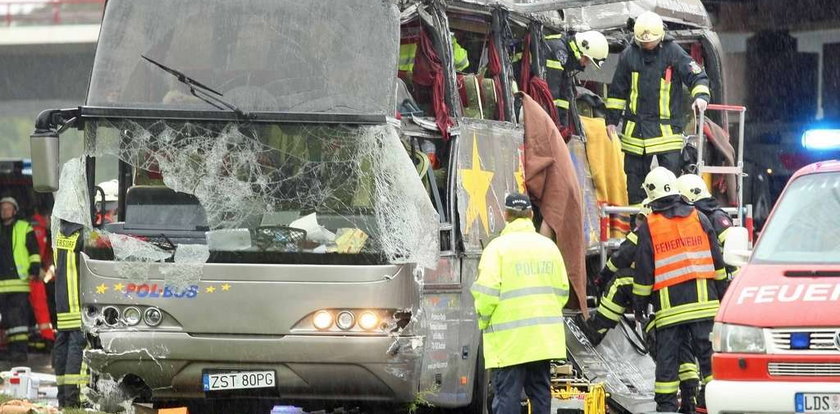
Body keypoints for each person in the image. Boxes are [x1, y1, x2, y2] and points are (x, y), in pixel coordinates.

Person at [581, 201, 701, 414]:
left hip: (658, 297)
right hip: (685, 297)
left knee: (620, 282)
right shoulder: (685, 226)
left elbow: (621, 256)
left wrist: (602, 279)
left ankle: (595, 330)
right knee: (683, 346)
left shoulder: (649, 229)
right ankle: (691, 397)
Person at [632, 167, 728, 413]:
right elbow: (718, 262)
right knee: (709, 360)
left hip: (670, 310)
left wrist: (640, 305)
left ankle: (666, 408)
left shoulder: (650, 226)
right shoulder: (700, 217)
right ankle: (716, 403)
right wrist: (723, 295)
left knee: (668, 361)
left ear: (651, 196)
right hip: (705, 305)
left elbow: (644, 272)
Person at [471, 193, 569, 414]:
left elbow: (486, 295)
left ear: (506, 215)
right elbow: (562, 291)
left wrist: (485, 322)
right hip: (543, 340)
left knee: (507, 398)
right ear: (531, 214)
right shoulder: (549, 248)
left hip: (509, 344)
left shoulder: (497, 249)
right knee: (541, 395)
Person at [605, 11, 711, 206]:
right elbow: (617, 91)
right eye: (642, 42)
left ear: (661, 36)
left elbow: (697, 76)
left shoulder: (673, 52)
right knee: (636, 188)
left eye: (650, 42)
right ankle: (638, 229)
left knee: (669, 186)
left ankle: (668, 225)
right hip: (635, 135)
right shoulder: (629, 55)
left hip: (666, 134)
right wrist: (611, 120)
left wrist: (701, 97)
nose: (646, 45)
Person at [514, 31, 609, 134]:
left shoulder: (568, 56)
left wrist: (563, 126)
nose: (585, 64)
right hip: (520, 91)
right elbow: (551, 93)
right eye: (587, 60)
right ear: (581, 49)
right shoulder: (558, 51)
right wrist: (554, 127)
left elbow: (563, 97)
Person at [0, 197, 41, 365]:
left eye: (8, 208)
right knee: (8, 321)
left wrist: (34, 269)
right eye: (2, 209)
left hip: (19, 282)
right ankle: (11, 350)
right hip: (2, 285)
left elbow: (34, 251)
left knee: (18, 321)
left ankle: (19, 352)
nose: (5, 211)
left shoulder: (24, 228)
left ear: (14, 211)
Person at [53, 219, 88, 408]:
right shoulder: (83, 235)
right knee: (78, 347)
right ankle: (74, 400)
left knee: (63, 347)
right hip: (77, 302)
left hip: (63, 303)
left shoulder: (59, 235)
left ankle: (63, 399)